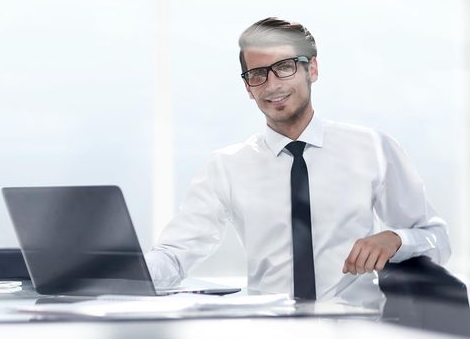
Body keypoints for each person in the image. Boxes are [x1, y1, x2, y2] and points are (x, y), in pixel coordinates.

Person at [145, 17, 451, 308]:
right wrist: (118, 270)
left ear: (312, 69)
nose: (272, 84)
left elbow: (437, 240)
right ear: (248, 88)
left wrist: (397, 238)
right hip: (269, 329)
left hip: (358, 327)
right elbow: (174, 254)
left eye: (285, 67)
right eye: (257, 74)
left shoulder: (372, 148)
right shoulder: (226, 167)